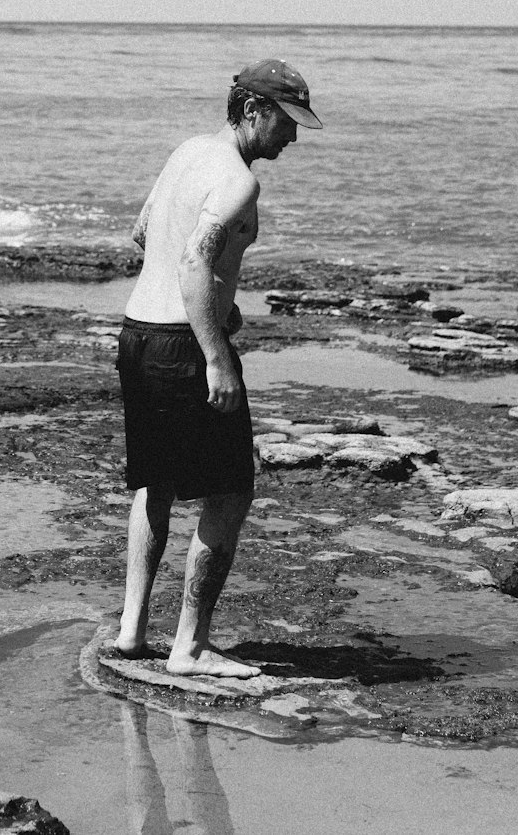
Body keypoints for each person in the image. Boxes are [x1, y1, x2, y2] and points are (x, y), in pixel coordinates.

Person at [114, 58, 322, 678]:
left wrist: (218, 310)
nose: (293, 137)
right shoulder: (238, 182)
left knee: (158, 484)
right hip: (184, 347)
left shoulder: (188, 152)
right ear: (254, 110)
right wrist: (215, 353)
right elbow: (195, 266)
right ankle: (190, 649)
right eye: (288, 122)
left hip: (138, 335)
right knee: (231, 493)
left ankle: (130, 632)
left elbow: (143, 232)